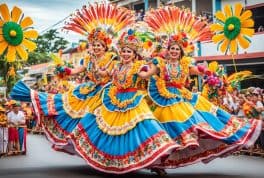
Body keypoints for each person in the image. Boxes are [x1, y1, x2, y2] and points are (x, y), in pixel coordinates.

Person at [144, 6, 262, 170]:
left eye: (177, 49)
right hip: (163, 99)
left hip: (182, 97)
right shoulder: (161, 64)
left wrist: (211, 75)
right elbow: (148, 73)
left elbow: (201, 71)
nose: (174, 51)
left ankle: (221, 134)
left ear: (181, 52)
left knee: (197, 120)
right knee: (161, 129)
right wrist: (141, 71)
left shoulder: (185, 65)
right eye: (171, 48)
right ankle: (158, 161)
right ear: (167, 50)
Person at [10, 2, 136, 154]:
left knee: (100, 122)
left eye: (99, 45)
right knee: (64, 106)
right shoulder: (87, 59)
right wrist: (64, 70)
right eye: (94, 45)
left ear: (105, 47)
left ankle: (107, 149)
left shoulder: (112, 58)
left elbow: (107, 74)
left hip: (106, 93)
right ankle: (32, 95)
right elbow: (76, 70)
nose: (96, 47)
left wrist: (98, 68)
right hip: (88, 90)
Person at [67, 29, 177, 174]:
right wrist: (93, 63)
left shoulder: (139, 66)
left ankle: (156, 164)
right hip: (114, 99)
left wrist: (155, 66)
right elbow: (103, 74)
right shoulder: (116, 65)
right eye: (124, 51)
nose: (125, 54)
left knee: (145, 129)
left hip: (134, 101)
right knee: (104, 129)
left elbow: (145, 75)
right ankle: (114, 161)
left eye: (129, 52)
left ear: (134, 54)